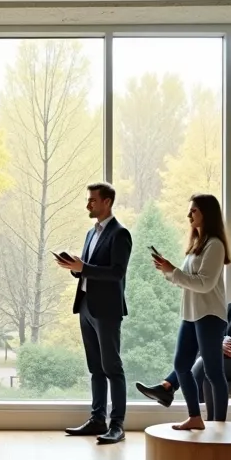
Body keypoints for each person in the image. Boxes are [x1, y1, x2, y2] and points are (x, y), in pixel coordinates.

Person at [136, 262, 231, 410]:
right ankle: (168, 387)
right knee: (202, 347)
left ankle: (172, 390)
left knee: (208, 366)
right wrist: (221, 343)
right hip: (226, 356)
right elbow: (220, 333)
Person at [145, 194, 231, 430]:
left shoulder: (215, 245)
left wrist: (173, 271)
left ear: (206, 213)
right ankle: (195, 416)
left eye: (193, 211)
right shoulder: (197, 246)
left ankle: (220, 425)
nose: (189, 215)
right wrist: (168, 270)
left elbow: (204, 283)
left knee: (213, 372)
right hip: (191, 315)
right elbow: (186, 280)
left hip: (209, 315)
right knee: (181, 365)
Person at [60, 182, 134, 444]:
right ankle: (97, 419)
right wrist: (75, 267)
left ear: (107, 202)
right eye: (88, 200)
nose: (88, 204)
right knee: (95, 368)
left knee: (112, 367)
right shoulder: (91, 233)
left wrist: (85, 267)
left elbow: (117, 273)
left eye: (92, 200)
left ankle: (117, 425)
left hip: (107, 310)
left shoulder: (120, 234)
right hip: (86, 306)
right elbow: (88, 269)